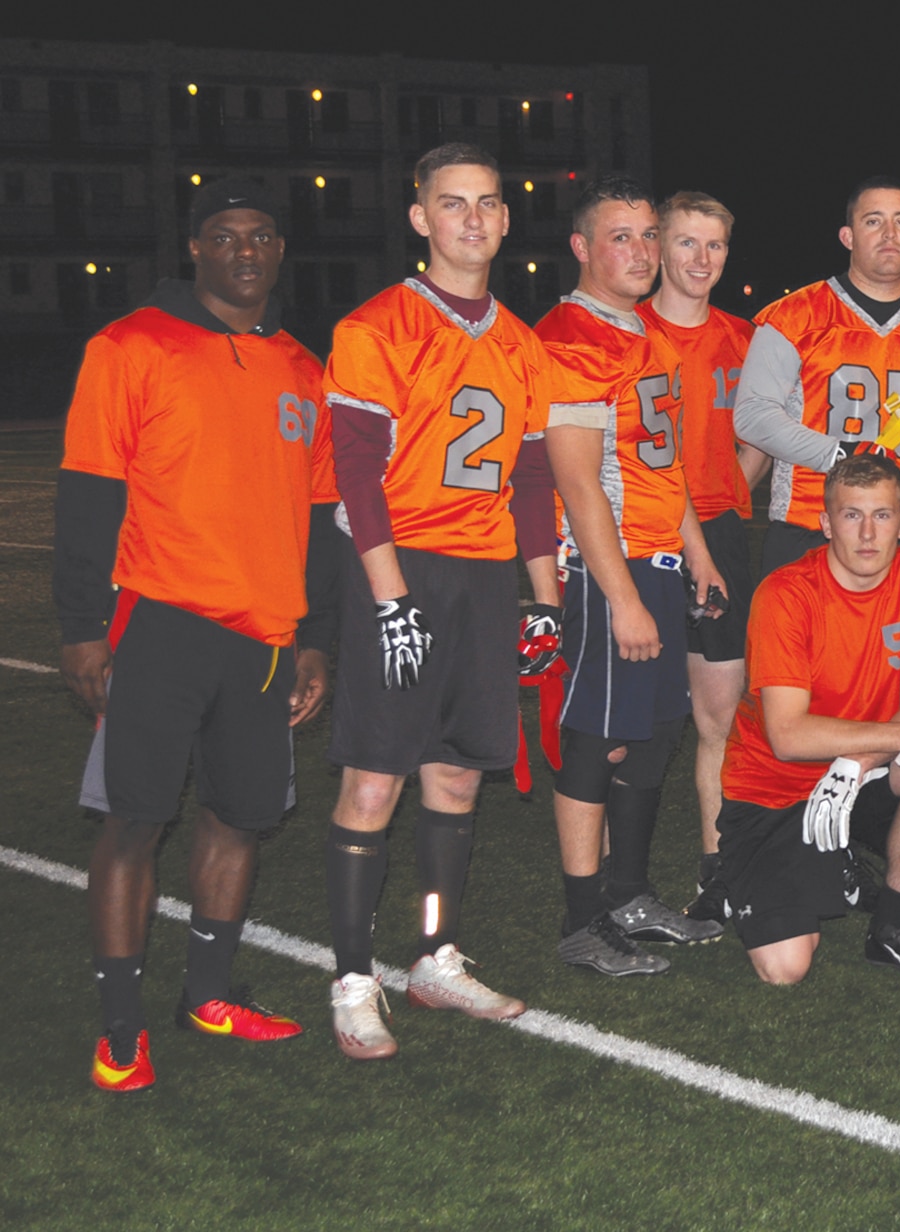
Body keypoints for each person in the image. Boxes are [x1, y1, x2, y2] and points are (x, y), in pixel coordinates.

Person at [57, 180, 339, 1091]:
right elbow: (91, 491)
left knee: (240, 817)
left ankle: (208, 994)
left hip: (263, 634)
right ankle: (119, 1023)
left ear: (280, 251)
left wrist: (313, 636)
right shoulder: (131, 344)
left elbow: (322, 508)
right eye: (225, 236)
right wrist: (81, 627)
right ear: (195, 249)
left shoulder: (304, 366)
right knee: (136, 817)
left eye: (261, 236)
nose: (245, 251)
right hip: (160, 617)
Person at [319, 144, 560, 1059]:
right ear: (419, 218)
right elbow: (354, 473)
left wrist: (543, 599)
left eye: (487, 205)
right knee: (375, 776)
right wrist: (390, 600)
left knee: (458, 773)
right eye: (451, 204)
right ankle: (351, 976)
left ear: (505, 219)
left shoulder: (522, 343)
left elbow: (533, 479)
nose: (472, 220)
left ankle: (433, 957)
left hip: (486, 571)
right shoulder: (376, 326)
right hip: (401, 564)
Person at [535, 177, 729, 977]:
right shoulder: (571, 336)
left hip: (655, 558)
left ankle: (629, 895)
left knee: (650, 741)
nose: (644, 252)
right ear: (582, 247)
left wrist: (699, 555)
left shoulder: (646, 338)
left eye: (651, 236)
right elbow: (578, 481)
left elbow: (665, 466)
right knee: (597, 741)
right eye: (624, 236)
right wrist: (619, 597)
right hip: (601, 567)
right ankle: (585, 923)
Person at [714, 454, 900, 984]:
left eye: (883, 516)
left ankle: (893, 927)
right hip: (774, 789)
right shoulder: (786, 594)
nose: (869, 534)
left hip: (858, 773)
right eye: (852, 516)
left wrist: (856, 762)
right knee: (785, 968)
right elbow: (787, 736)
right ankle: (805, 868)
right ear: (826, 523)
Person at [733, 177, 900, 576]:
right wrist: (838, 455)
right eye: (873, 221)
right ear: (848, 236)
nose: (890, 234)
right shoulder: (795, 316)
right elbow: (752, 415)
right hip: (810, 527)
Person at [644, 191, 760, 923]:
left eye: (714, 246)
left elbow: (762, 437)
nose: (701, 260)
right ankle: (612, 885)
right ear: (657, 246)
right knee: (637, 725)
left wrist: (724, 493)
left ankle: (717, 872)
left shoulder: (745, 340)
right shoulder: (627, 334)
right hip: (641, 542)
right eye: (687, 243)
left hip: (720, 536)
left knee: (721, 718)